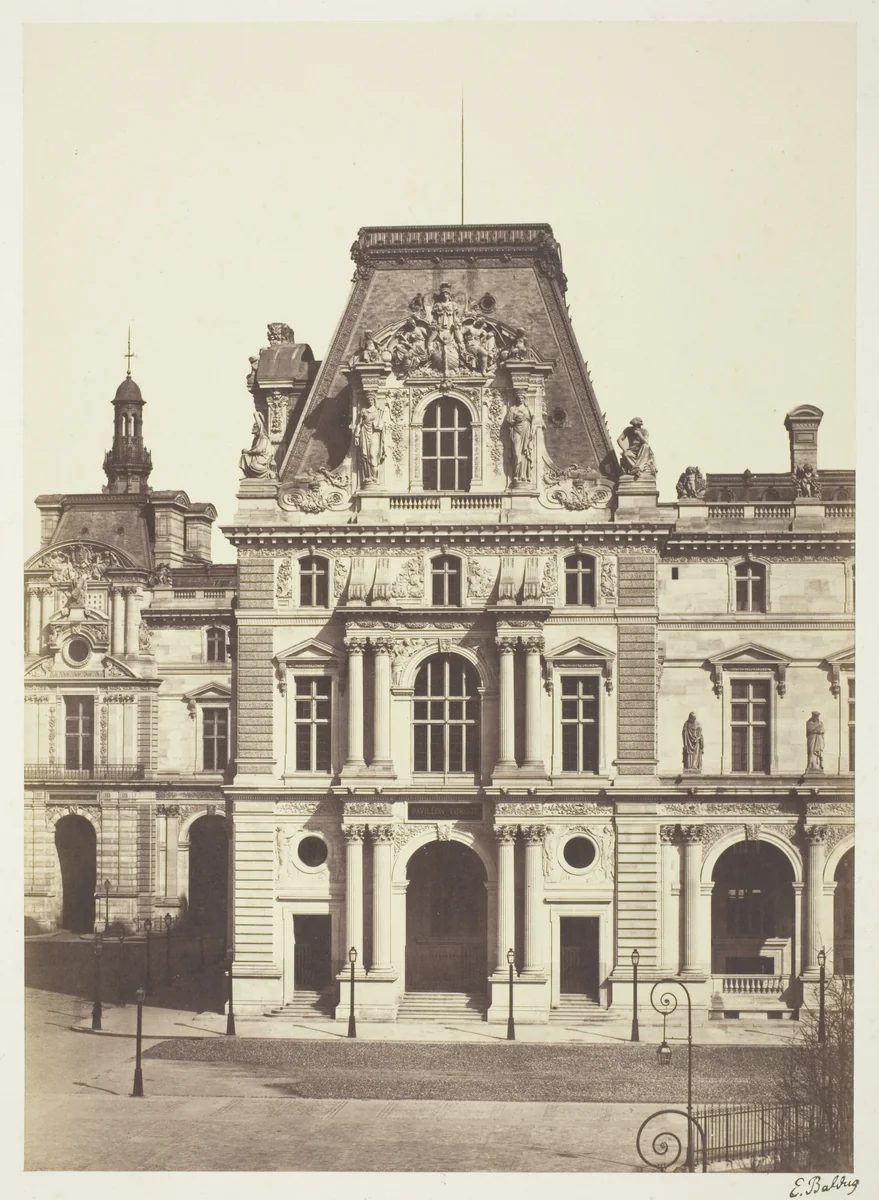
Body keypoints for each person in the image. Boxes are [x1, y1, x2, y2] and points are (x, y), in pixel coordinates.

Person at [353, 395, 386, 484]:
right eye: (368, 400)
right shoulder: (363, 411)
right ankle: (368, 477)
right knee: (365, 455)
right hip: (364, 432)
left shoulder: (378, 411)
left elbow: (383, 423)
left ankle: (374, 477)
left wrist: (380, 425)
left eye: (371, 399)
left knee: (372, 454)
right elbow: (359, 424)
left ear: (374, 400)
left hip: (374, 433)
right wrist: (356, 436)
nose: (370, 401)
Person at [503, 396, 534, 483]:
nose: (520, 399)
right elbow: (508, 420)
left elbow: (533, 419)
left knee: (524, 452)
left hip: (525, 429)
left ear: (524, 399)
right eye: (519, 398)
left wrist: (532, 430)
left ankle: (522, 475)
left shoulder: (528, 409)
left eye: (522, 398)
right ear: (516, 399)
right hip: (516, 429)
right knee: (516, 452)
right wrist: (514, 420)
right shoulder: (513, 409)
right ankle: (516, 474)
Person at [239, 412, 275, 478]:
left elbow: (259, 450)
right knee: (244, 457)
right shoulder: (256, 438)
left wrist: (256, 415)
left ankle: (268, 472)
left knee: (253, 465)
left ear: (259, 428)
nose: (253, 428)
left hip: (262, 458)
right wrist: (247, 452)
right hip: (256, 456)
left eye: (255, 427)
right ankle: (247, 474)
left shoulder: (263, 437)